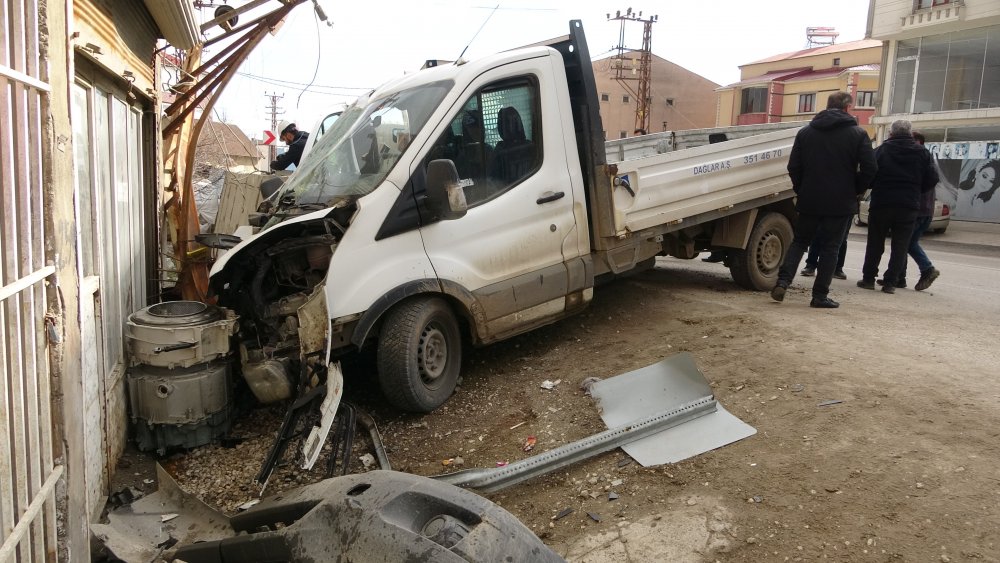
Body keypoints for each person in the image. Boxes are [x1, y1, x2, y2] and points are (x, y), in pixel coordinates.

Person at [770, 91, 877, 309]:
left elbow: (794, 166)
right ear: (847, 108)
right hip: (841, 201)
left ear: (827, 106)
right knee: (831, 247)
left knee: (800, 242)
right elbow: (870, 168)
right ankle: (819, 296)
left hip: (810, 198)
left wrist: (802, 189)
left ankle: (782, 282)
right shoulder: (858, 134)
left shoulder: (806, 133)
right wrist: (856, 190)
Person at [857, 120, 938, 294]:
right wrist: (916, 190)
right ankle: (890, 283)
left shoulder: (881, 150)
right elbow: (932, 178)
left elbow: (869, 171)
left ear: (891, 133)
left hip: (882, 202)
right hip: (908, 205)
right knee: (900, 245)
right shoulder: (922, 153)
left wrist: (871, 185)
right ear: (909, 133)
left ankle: (868, 279)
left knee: (875, 242)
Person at [886, 130, 940, 291]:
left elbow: (924, 184)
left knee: (905, 243)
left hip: (917, 210)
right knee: (905, 243)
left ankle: (927, 269)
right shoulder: (926, 159)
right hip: (925, 210)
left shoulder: (920, 159)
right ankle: (899, 278)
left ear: (918, 142)